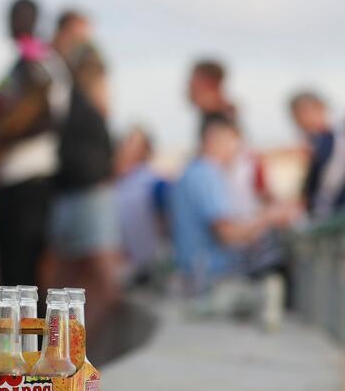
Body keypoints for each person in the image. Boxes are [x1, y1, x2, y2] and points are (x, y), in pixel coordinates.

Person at [0, 0, 71, 292]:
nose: (15, 24)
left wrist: (2, 137)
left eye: (22, 17)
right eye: (13, 16)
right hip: (9, 180)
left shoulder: (43, 64)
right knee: (11, 275)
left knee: (24, 276)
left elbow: (50, 119)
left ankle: (32, 339)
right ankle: (18, 338)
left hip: (31, 180)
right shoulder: (21, 64)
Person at [49, 12, 121, 333]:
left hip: (77, 191)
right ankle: (76, 346)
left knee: (80, 278)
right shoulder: (71, 93)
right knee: (87, 278)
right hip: (83, 192)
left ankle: (74, 345)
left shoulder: (72, 96)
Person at [170, 115, 298, 295]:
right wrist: (269, 218)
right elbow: (228, 234)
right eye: (234, 141)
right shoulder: (206, 175)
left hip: (198, 277)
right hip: (212, 280)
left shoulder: (193, 172)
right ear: (215, 139)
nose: (237, 150)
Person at [187, 59, 269, 219]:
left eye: (193, 80)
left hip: (232, 209)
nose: (188, 86)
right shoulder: (220, 115)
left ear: (208, 83)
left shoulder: (219, 119)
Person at [114, 127, 170, 283]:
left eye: (136, 145)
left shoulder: (155, 183)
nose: (129, 149)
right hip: (120, 266)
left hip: (149, 266)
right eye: (127, 143)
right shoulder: (115, 184)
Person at [289, 90, 345, 220]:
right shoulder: (318, 141)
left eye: (300, 116)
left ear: (320, 108)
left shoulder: (335, 138)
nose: (299, 124)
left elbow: (327, 186)